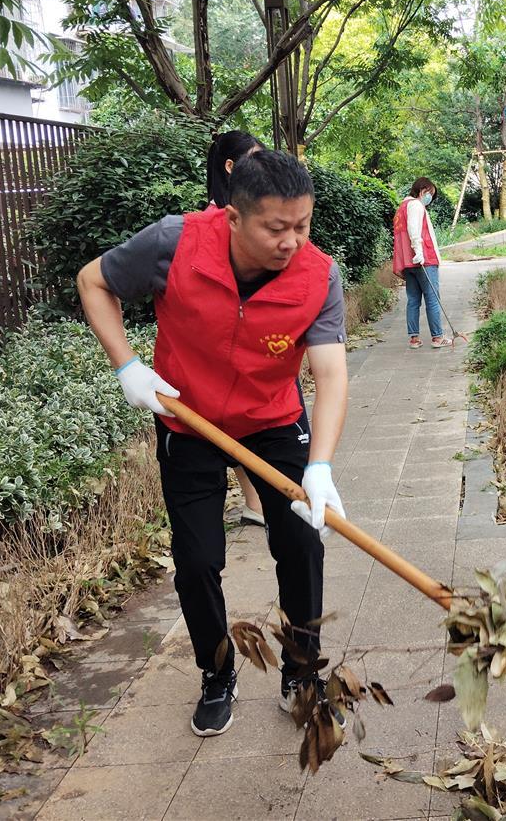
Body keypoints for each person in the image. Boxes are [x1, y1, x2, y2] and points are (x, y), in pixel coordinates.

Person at [76, 149, 350, 738]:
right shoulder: (173, 244)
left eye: (302, 226)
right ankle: (216, 671)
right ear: (233, 216)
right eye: (276, 228)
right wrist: (127, 366)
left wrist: (320, 466)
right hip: (188, 420)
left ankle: (301, 673)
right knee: (197, 561)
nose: (292, 242)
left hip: (273, 419)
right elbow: (93, 281)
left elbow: (330, 373)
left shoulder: (319, 276)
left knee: (303, 544)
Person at [206, 129, 269, 526]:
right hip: (228, 343)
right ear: (231, 167)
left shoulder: (248, 213)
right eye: (255, 159)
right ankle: (256, 502)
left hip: (255, 339)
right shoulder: (213, 220)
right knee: (236, 425)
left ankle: (256, 502)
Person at [392, 177, 451, 349]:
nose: (430, 197)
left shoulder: (402, 207)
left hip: (408, 263)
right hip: (423, 260)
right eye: (430, 193)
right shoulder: (416, 205)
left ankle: (414, 339)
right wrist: (419, 252)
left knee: (413, 300)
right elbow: (414, 230)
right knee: (432, 299)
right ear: (422, 190)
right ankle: (437, 338)